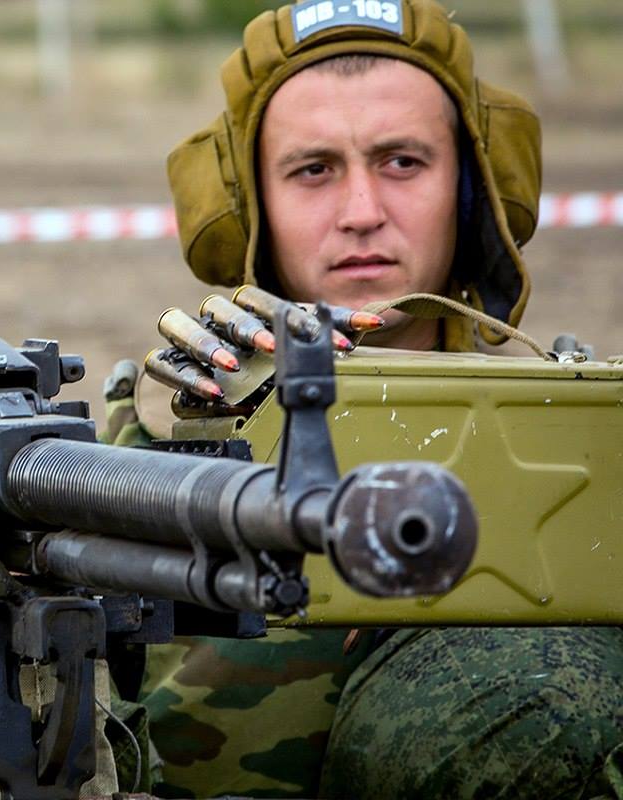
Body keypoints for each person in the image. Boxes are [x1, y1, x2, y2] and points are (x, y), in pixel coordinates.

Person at [113, 1, 623, 798]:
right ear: (249, 204)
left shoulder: (581, 445)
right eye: (313, 170)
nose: (361, 214)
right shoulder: (133, 444)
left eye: (403, 162)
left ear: (471, 190)